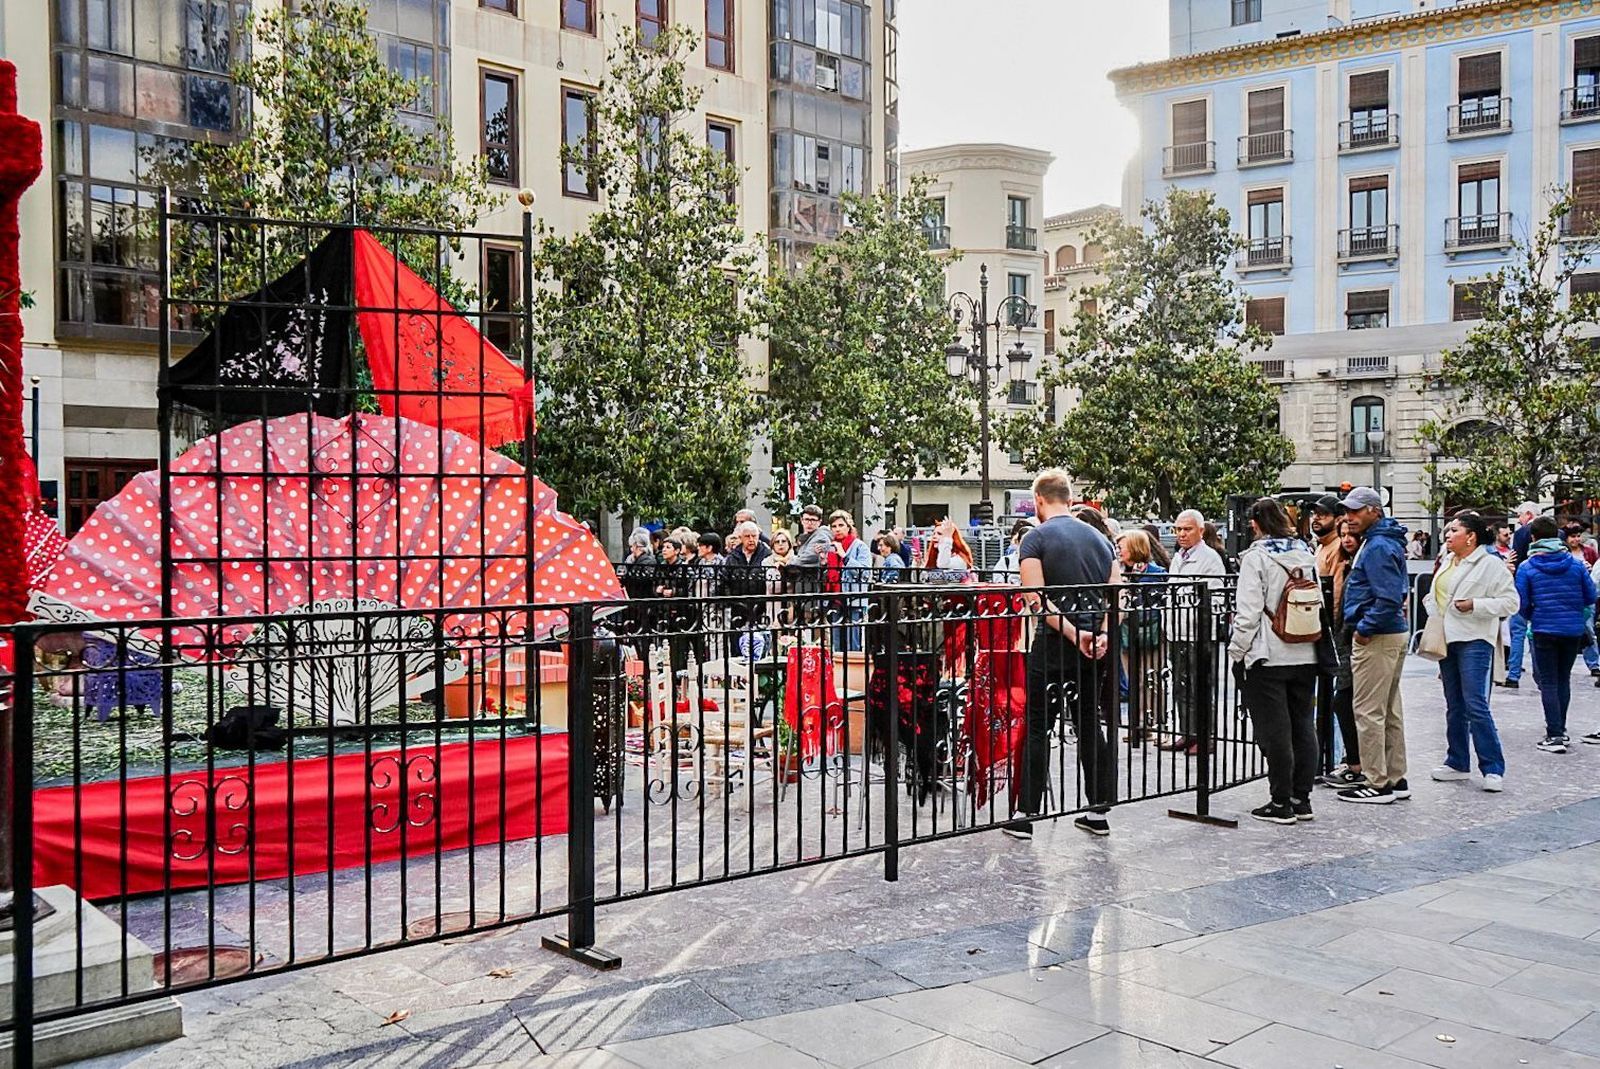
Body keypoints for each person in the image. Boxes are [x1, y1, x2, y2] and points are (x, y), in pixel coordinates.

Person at [1013, 469, 1118, 839]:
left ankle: (1026, 812)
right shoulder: (1102, 540)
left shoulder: (1035, 539)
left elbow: (1035, 600)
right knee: (1089, 720)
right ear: (1070, 499)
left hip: (1057, 641)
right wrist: (1100, 633)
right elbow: (1115, 596)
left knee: (1040, 723)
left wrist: (1075, 633)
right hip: (1095, 642)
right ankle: (1099, 809)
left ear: (1039, 500)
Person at [1228, 498, 1322, 824]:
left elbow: (1248, 612)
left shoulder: (1256, 557)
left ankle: (1280, 801)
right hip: (1306, 650)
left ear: (1255, 523)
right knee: (1302, 726)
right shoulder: (1306, 553)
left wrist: (1237, 651)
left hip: (1268, 654)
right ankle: (1302, 798)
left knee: (1275, 731)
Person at [1425, 511, 1518, 793]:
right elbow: (1436, 594)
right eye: (1448, 530)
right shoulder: (1446, 561)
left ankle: (1492, 767)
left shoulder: (1490, 564)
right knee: (1454, 704)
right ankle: (1457, 761)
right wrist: (1432, 609)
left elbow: (1511, 602)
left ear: (1471, 537)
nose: (1448, 534)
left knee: (1475, 703)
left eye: (1454, 530)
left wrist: (1475, 604)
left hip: (1474, 638)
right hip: (1446, 637)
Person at [1335, 486, 1412, 805]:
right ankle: (1395, 776)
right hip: (1389, 632)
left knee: (1368, 710)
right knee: (1389, 709)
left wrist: (1364, 629)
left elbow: (1389, 596)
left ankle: (1376, 781)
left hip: (1377, 634)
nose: (1349, 517)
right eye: (1348, 511)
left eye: (1356, 511)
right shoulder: (1383, 541)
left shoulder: (1378, 545)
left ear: (1374, 511)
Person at [1516, 516, 1599, 754]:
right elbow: (1590, 595)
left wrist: (1535, 614)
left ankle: (1554, 734)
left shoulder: (1527, 567)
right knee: (1563, 679)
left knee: (1549, 681)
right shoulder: (1574, 564)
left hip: (1543, 628)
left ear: (1533, 537)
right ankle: (1560, 730)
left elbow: (1521, 603)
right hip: (1572, 629)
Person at [1165, 508, 1227, 755]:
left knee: (1200, 686)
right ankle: (1187, 732)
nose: (1181, 534)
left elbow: (1216, 597)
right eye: (1178, 529)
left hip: (1198, 633)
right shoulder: (1178, 556)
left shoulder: (1210, 558)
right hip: (1176, 630)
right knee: (1180, 685)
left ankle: (1206, 736)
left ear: (1200, 530)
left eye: (1187, 529)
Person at [1318, 520, 1366, 790]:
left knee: (1344, 701)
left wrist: (1361, 630)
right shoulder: (1346, 564)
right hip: (1343, 638)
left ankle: (1357, 763)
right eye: (1343, 535)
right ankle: (1353, 761)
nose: (1347, 539)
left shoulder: (1359, 563)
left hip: (1353, 638)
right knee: (1342, 701)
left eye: (1351, 534)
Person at [1116, 529, 1167, 746]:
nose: (1118, 551)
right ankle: (1136, 725)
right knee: (1133, 679)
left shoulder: (1157, 572)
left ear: (1135, 548)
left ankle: (1154, 723)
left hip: (1151, 632)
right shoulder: (1119, 573)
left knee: (1152, 678)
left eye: (1122, 547)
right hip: (1127, 633)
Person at [1502, 501, 1540, 690]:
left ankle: (1513, 674)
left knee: (1518, 631)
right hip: (1541, 588)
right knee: (1537, 631)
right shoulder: (1555, 532)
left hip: (1523, 584)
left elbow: (1515, 558)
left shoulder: (1521, 533)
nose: (1518, 519)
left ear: (1528, 514)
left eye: (1519, 515)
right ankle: (1540, 673)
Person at [826, 509, 871, 651]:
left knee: (853, 642)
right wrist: (823, 561)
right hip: (835, 599)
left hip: (853, 599)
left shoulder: (859, 546)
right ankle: (838, 671)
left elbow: (865, 573)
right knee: (837, 643)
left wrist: (845, 557)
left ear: (848, 526)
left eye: (841, 525)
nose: (837, 529)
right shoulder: (831, 547)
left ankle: (853, 672)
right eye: (834, 526)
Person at [1563, 523, 1600, 678]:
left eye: (1578, 536)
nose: (1576, 539)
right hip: (1569, 596)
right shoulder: (1563, 554)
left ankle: (1594, 663)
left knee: (1588, 630)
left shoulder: (1589, 552)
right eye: (1573, 536)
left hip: (1585, 595)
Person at [724, 520, 772, 630]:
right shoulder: (732, 557)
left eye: (754, 536)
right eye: (747, 536)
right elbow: (725, 580)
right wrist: (731, 601)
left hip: (760, 607)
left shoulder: (767, 554)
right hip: (738, 607)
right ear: (740, 538)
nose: (751, 540)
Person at [791, 504, 832, 594]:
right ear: (802, 520)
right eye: (806, 519)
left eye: (813, 520)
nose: (809, 523)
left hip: (811, 585)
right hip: (802, 584)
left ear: (819, 522)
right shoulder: (805, 538)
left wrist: (788, 560)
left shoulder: (821, 537)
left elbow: (805, 559)